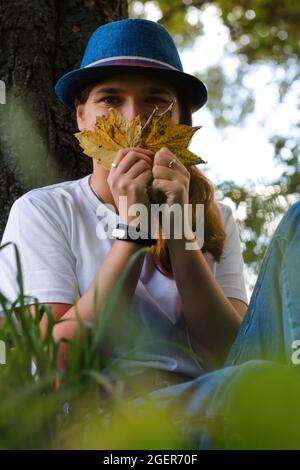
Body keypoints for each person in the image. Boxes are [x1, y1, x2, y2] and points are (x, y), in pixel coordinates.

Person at [0, 18, 299, 448]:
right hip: (112, 419)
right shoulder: (44, 211)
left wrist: (178, 233)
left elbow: (228, 354)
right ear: (81, 117)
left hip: (219, 394)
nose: (134, 118)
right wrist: (132, 232)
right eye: (110, 99)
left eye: (156, 102)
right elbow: (54, 361)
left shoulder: (214, 216)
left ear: (182, 122)